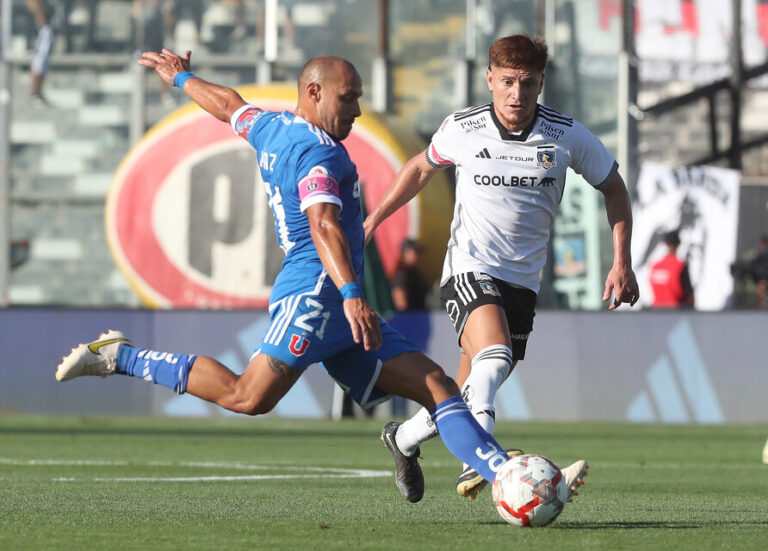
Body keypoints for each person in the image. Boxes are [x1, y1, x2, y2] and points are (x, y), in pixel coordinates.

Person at [56, 48, 532, 506]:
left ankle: (502, 476)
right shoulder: (317, 154)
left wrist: (182, 78)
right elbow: (323, 223)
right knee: (248, 396)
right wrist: (350, 294)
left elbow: (228, 106)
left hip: (334, 298)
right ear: (314, 91)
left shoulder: (273, 125)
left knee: (436, 384)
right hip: (316, 294)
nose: (358, 111)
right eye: (349, 98)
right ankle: (120, 357)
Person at [364, 34, 639, 500]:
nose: (517, 94)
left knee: (469, 389)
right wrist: (373, 220)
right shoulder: (463, 128)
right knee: (494, 358)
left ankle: (403, 438)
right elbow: (418, 169)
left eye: (528, 83)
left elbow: (614, 188)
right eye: (508, 81)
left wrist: (622, 261)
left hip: (522, 285)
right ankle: (493, 468)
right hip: (469, 269)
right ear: (490, 79)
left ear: (541, 83)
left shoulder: (566, 136)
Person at [649, 230, 694, 309]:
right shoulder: (680, 266)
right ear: (678, 244)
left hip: (657, 313)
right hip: (676, 315)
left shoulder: (655, 266)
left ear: (666, 243)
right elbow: (689, 296)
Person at [27, 0, 54, 104]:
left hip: (45, 29)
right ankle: (35, 92)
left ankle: (38, 91)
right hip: (41, 31)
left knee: (42, 65)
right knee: (39, 64)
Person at [391, 239, 430, 311]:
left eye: (418, 252)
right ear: (405, 253)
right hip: (410, 319)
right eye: (415, 252)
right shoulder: (401, 276)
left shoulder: (418, 274)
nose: (418, 256)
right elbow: (401, 304)